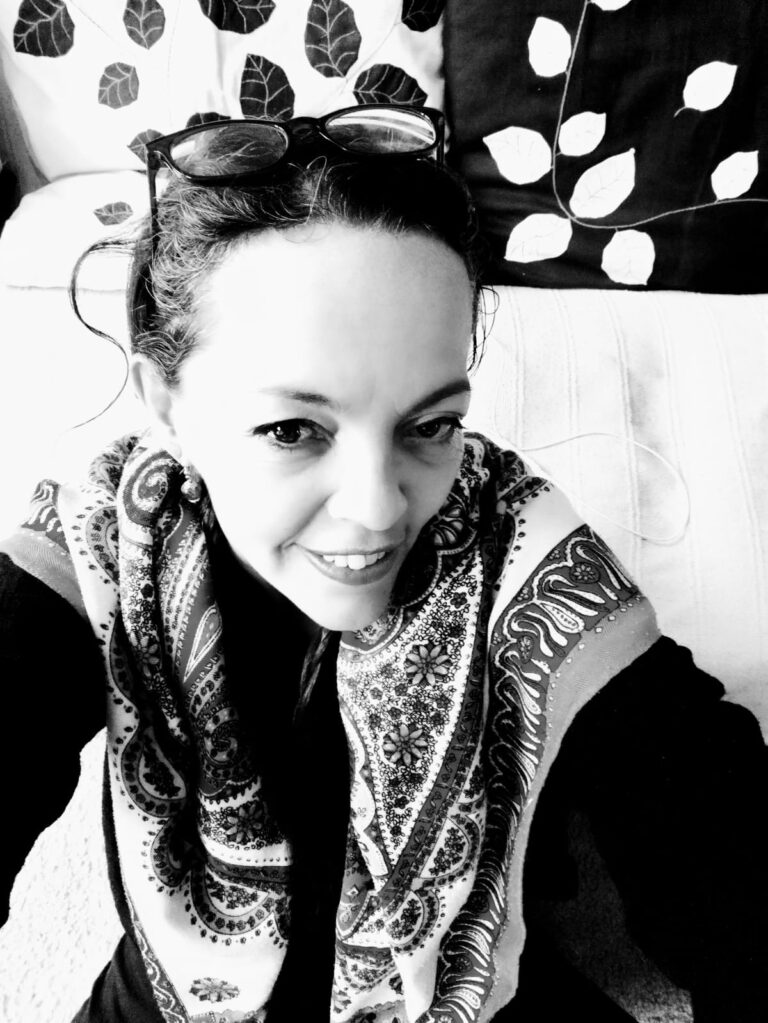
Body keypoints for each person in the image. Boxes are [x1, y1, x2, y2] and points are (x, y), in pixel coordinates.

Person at [0, 105, 766, 1023]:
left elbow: (725, 852)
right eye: (293, 429)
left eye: (430, 424)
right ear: (167, 405)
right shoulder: (99, 542)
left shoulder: (525, 553)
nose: (380, 507)